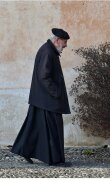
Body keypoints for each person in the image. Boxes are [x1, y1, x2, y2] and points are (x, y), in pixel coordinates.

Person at [11, 28, 71, 166]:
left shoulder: (48, 50)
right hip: (47, 100)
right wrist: (56, 93)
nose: (66, 45)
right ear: (56, 40)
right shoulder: (48, 52)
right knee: (52, 129)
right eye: (65, 41)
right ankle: (54, 159)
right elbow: (44, 76)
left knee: (35, 127)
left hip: (42, 99)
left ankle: (24, 150)